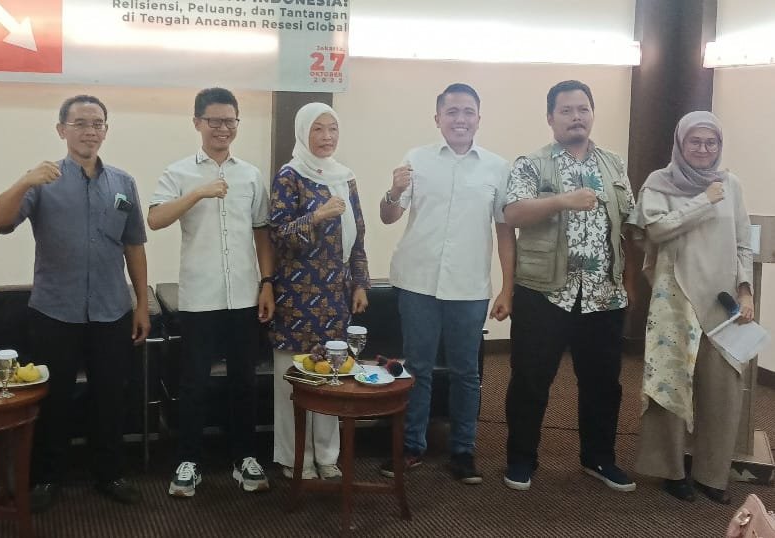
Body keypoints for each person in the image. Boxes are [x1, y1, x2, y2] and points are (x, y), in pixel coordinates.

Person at [0, 95, 150, 511]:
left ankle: (110, 473)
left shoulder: (123, 183)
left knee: (110, 397)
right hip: (54, 311)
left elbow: (134, 245)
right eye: (80, 123)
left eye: (97, 123)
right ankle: (46, 478)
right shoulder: (43, 180)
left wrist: (141, 304)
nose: (89, 131)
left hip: (112, 309)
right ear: (62, 130)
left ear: (105, 131)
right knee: (52, 399)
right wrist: (24, 181)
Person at [503, 80, 636, 492]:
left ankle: (599, 458)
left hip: (603, 294)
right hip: (543, 291)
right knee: (530, 379)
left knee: (603, 383)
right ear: (550, 118)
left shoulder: (614, 164)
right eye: (566, 110)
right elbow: (513, 213)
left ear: (592, 114)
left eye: (583, 109)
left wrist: (629, 283)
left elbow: (630, 226)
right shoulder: (531, 163)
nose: (576, 117)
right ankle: (521, 459)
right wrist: (561, 200)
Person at [379, 83, 514, 483]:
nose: (460, 119)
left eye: (468, 111)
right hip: (417, 281)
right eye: (452, 112)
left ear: (479, 118)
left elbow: (505, 231)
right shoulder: (416, 159)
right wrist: (393, 191)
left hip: (469, 286)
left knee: (466, 372)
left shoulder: (496, 167)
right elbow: (388, 216)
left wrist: (508, 287)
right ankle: (412, 446)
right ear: (437, 118)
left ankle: (463, 451)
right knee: (416, 367)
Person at [147, 87, 275, 498]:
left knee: (244, 381)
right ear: (197, 123)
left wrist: (267, 283)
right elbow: (155, 219)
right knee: (194, 383)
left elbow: (261, 233)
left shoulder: (250, 175)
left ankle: (244, 457)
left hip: (244, 295)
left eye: (230, 121)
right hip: (199, 297)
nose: (223, 128)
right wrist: (198, 192)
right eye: (214, 121)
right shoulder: (179, 172)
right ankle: (188, 460)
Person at [633, 111, 753, 505]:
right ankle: (671, 471)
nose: (703, 149)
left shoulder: (731, 184)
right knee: (670, 385)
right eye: (695, 141)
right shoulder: (660, 182)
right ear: (680, 143)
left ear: (719, 146)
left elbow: (742, 243)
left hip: (723, 301)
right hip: (675, 298)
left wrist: (746, 291)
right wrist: (703, 201)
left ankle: (712, 474)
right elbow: (656, 229)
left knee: (723, 388)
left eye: (711, 142)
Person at [269, 102, 369, 481]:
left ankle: (327, 456)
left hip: (334, 298)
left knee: (331, 377)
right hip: (295, 298)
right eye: (318, 129)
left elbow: (358, 236)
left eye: (333, 129)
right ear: (303, 132)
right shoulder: (289, 176)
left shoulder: (346, 177)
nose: (327, 137)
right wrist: (318, 215)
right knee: (293, 380)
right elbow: (278, 235)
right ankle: (294, 457)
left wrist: (360, 282)